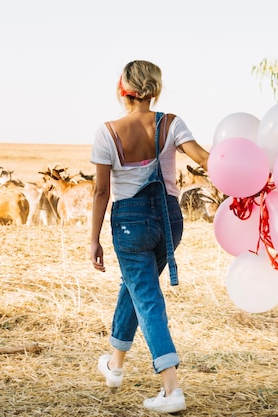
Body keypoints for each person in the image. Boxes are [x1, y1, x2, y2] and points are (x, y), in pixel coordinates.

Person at [90, 60, 210, 413]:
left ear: (121, 88)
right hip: (170, 222)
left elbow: (101, 192)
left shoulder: (106, 132)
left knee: (147, 298)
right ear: (154, 89)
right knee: (135, 287)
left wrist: (93, 239)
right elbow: (203, 159)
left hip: (130, 224)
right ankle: (114, 366)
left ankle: (171, 389)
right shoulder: (171, 123)